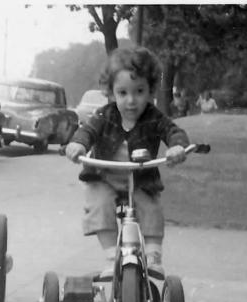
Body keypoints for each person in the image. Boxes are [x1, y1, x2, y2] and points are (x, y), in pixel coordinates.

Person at [64, 46, 189, 280]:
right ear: (111, 93)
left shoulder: (154, 117)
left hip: (139, 179)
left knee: (151, 209)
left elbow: (173, 131)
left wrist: (177, 146)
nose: (131, 101)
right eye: (122, 93)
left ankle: (153, 256)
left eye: (139, 91)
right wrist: (78, 145)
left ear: (151, 90)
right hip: (104, 177)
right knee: (99, 204)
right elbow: (87, 131)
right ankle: (112, 257)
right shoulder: (105, 115)